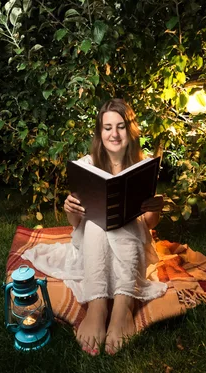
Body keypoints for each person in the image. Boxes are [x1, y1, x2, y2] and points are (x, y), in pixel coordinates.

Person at [22, 98, 167, 356]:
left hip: (131, 242)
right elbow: (75, 225)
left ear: (130, 130)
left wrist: (155, 210)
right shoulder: (87, 165)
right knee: (97, 226)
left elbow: (148, 225)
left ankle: (122, 308)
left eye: (120, 127)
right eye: (107, 127)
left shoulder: (141, 168)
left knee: (125, 225)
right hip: (92, 241)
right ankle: (97, 308)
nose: (114, 133)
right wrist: (70, 210)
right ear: (100, 133)